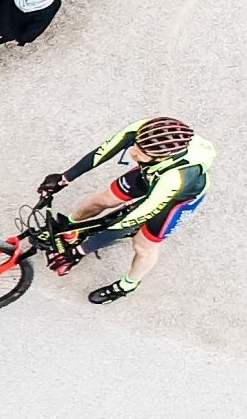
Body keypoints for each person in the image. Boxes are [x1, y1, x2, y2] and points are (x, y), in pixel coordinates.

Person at [37, 115, 211, 304]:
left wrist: (80, 251)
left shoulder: (175, 178)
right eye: (135, 145)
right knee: (101, 200)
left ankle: (127, 285)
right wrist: (64, 179)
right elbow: (103, 152)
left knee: (143, 244)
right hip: (150, 174)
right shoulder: (145, 131)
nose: (133, 153)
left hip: (177, 199)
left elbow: (130, 222)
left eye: (141, 151)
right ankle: (70, 228)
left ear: (162, 156)